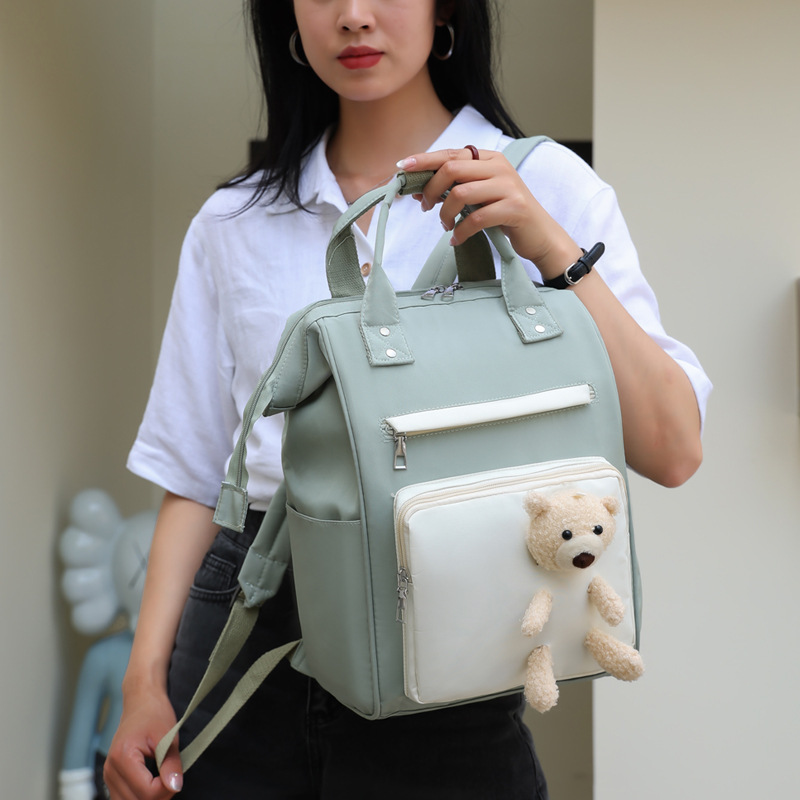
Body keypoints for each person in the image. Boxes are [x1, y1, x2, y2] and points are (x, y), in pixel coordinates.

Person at [104, 1, 711, 798]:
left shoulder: (545, 183)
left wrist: (548, 245)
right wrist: (143, 684)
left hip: (450, 633)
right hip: (246, 630)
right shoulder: (234, 221)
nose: (354, 15)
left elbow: (673, 448)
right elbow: (193, 475)